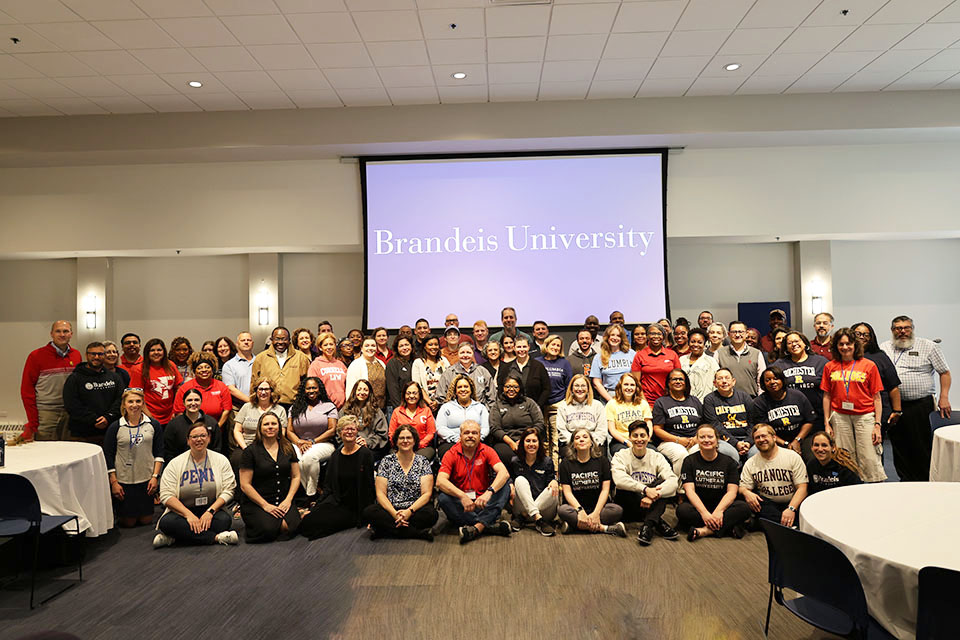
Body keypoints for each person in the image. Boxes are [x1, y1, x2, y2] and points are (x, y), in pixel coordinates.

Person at [880, 315, 951, 482]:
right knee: (899, 444)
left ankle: (925, 480)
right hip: (895, 406)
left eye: (906, 327)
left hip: (921, 404)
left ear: (912, 329)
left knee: (921, 444)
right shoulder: (884, 348)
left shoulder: (929, 346)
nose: (902, 331)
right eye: (898, 328)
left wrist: (944, 397)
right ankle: (904, 479)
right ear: (892, 330)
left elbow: (945, 372)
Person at [154, 421, 238, 548]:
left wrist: (210, 511)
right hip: (182, 512)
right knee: (167, 523)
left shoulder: (221, 460)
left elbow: (229, 490)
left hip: (210, 509)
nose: (199, 439)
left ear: (209, 438)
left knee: (224, 521)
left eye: (203, 436)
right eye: (194, 437)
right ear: (188, 440)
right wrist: (188, 515)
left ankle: (176, 538)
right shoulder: (175, 463)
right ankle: (215, 538)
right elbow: (166, 495)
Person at [821, 328, 886, 483]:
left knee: (869, 456)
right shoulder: (830, 366)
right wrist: (827, 423)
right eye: (841, 344)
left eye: (848, 344)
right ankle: (850, 487)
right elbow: (827, 396)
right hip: (840, 416)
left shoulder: (869, 365)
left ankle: (874, 490)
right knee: (845, 457)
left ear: (855, 345)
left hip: (865, 416)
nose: (845, 347)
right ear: (836, 346)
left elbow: (877, 397)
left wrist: (877, 424)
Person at [298, 415, 376, 539]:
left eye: (353, 429)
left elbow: (369, 487)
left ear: (357, 432)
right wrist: (317, 506)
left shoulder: (365, 454)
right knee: (308, 520)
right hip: (337, 501)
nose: (349, 432)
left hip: (354, 507)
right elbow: (328, 486)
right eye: (345, 429)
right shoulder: (335, 456)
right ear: (340, 433)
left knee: (316, 526)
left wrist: (368, 515)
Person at [436, 420, 512, 543]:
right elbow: (440, 481)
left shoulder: (487, 450)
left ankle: (476, 528)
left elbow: (504, 473)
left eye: (474, 433)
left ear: (479, 436)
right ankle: (489, 524)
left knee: (505, 486)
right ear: (460, 436)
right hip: (463, 505)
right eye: (466, 433)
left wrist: (489, 493)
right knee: (443, 498)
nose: (470, 436)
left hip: (484, 502)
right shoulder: (451, 453)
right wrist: (462, 496)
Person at [362, 424, 438, 540]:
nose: (405, 441)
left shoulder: (422, 461)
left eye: (409, 438)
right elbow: (380, 494)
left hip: (414, 509)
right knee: (369, 512)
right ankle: (416, 533)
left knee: (432, 514)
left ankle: (384, 531)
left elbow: (426, 494)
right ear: (396, 442)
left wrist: (408, 512)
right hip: (390, 509)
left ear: (414, 441)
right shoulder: (386, 461)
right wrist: (394, 513)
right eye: (401, 438)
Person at [678, 424, 752, 541]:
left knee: (744, 508)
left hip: (723, 506)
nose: (706, 440)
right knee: (682, 510)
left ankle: (704, 531)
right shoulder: (689, 460)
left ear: (717, 440)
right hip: (699, 506)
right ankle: (727, 527)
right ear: (697, 440)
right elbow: (689, 491)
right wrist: (704, 514)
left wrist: (719, 511)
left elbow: (732, 492)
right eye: (702, 437)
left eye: (710, 437)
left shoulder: (729, 462)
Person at [611, 421, 678, 545]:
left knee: (663, 484)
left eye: (642, 435)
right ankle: (658, 522)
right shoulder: (620, 456)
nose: (639, 439)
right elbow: (619, 480)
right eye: (635, 436)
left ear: (648, 437)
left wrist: (653, 495)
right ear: (629, 437)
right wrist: (646, 490)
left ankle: (648, 525)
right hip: (628, 503)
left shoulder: (657, 456)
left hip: (650, 503)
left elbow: (673, 481)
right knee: (625, 487)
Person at [104, 388, 163, 527]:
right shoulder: (115, 427)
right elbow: (108, 455)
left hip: (146, 480)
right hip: (124, 481)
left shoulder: (153, 424)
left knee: (146, 520)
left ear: (143, 403)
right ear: (124, 404)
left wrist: (155, 477)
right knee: (129, 523)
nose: (134, 405)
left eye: (138, 401)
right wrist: (114, 483)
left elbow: (159, 453)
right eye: (130, 402)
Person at [239, 412, 301, 543]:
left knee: (290, 527)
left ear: (279, 427)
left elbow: (296, 476)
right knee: (268, 529)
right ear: (260, 429)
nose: (270, 427)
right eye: (266, 424)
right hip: (257, 502)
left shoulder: (288, 448)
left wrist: (288, 500)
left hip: (283, 499)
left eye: (274, 424)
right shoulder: (250, 452)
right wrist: (265, 505)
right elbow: (245, 485)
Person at [557, 428, 626, 537]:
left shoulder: (602, 461)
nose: (581, 440)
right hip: (575, 508)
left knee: (617, 510)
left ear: (591, 443)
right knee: (562, 510)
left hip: (598, 507)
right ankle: (604, 528)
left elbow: (605, 490)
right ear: (573, 445)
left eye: (585, 437)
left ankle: (575, 527)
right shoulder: (565, 464)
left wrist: (596, 513)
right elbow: (567, 492)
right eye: (577, 438)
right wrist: (580, 511)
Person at [20, 320, 82, 441]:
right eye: (58, 331)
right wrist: (33, 420)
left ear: (71, 334)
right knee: (45, 453)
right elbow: (27, 390)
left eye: (65, 331)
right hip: (46, 412)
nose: (62, 334)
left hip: (70, 412)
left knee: (69, 451)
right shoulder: (36, 356)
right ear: (51, 334)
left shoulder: (76, 355)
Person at [739, 424, 808, 528]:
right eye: (757, 438)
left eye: (764, 436)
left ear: (774, 437)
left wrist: (791, 509)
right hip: (767, 505)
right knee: (751, 503)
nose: (761, 440)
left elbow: (803, 488)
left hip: (792, 502)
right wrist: (746, 492)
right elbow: (742, 487)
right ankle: (788, 526)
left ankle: (768, 525)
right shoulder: (751, 463)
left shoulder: (792, 457)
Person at [62, 341, 123, 445]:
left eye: (100, 354)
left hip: (109, 432)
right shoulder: (75, 378)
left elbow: (120, 399)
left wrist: (108, 417)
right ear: (86, 355)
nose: (96, 357)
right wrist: (94, 420)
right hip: (82, 434)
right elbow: (72, 405)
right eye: (93, 354)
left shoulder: (114, 377)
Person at [287, 376, 338, 500]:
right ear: (304, 391)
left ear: (319, 389)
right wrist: (299, 442)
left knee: (309, 457)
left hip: (323, 443)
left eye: (314, 388)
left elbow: (332, 430)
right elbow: (289, 431)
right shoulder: (295, 408)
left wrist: (313, 441)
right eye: (308, 388)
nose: (311, 391)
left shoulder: (328, 406)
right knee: (296, 459)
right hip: (299, 443)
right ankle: (312, 492)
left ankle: (310, 494)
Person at [751, 367, 816, 461]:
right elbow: (763, 429)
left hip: (801, 437)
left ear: (782, 380)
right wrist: (786, 444)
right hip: (774, 440)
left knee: (811, 457)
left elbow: (809, 420)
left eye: (776, 378)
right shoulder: (759, 402)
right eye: (768, 380)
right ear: (763, 383)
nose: (772, 382)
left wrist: (797, 440)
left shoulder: (797, 395)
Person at [773, 331, 829, 432]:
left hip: (818, 415)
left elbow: (829, 389)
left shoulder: (821, 362)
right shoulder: (779, 364)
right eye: (789, 343)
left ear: (805, 343)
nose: (794, 344)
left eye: (797, 341)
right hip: (792, 417)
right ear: (786, 348)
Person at [509, 427, 558, 536]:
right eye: (528, 441)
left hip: (544, 510)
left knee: (553, 489)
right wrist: (510, 484)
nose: (531, 444)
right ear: (522, 443)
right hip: (520, 506)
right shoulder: (515, 461)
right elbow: (510, 479)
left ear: (539, 444)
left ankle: (525, 516)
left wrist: (554, 481)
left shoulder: (547, 461)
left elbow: (551, 481)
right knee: (519, 480)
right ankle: (538, 521)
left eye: (534, 441)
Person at [852, 322, 902, 428]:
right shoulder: (845, 356)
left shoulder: (880, 357)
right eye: (858, 334)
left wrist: (897, 411)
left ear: (871, 338)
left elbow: (893, 386)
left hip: (877, 412)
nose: (862, 337)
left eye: (866, 335)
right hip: (849, 412)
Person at [489, 372, 545, 465]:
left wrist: (525, 439)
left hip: (528, 439)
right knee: (508, 456)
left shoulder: (529, 402)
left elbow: (539, 422)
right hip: (505, 441)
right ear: (503, 388)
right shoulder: (497, 405)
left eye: (515, 387)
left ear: (520, 388)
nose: (511, 389)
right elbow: (495, 428)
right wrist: (511, 443)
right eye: (508, 386)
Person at [233, 377, 288, 468]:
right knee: (237, 458)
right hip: (247, 445)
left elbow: (281, 433)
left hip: (271, 446)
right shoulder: (247, 407)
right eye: (260, 389)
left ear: (272, 391)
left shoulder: (280, 409)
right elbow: (237, 430)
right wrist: (245, 449)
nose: (263, 392)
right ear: (256, 391)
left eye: (266, 389)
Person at [173, 351, 232, 435]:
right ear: (194, 371)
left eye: (207, 367)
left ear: (212, 369)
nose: (204, 370)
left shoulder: (222, 387)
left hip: (216, 432)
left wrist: (216, 428)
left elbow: (227, 410)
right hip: (190, 433)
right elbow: (179, 412)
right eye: (199, 368)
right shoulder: (185, 388)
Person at [251, 326, 311, 408]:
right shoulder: (261, 358)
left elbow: (307, 382)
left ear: (289, 340)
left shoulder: (301, 358)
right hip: (267, 405)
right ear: (272, 340)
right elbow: (254, 383)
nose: (280, 342)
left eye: (283, 339)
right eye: (277, 339)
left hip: (294, 406)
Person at [129, 338, 182, 429]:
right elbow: (136, 396)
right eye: (152, 350)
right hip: (149, 416)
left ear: (164, 352)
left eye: (159, 350)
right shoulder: (139, 369)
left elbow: (178, 388)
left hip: (170, 416)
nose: (156, 353)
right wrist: (150, 417)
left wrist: (176, 410)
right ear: (147, 353)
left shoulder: (171, 365)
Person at [702, 368, 754, 460]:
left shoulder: (744, 396)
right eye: (720, 378)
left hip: (747, 438)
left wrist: (748, 442)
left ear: (733, 381)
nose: (724, 381)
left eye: (727, 378)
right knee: (730, 454)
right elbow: (715, 426)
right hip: (723, 440)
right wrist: (735, 443)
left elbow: (753, 422)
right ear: (715, 383)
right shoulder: (709, 399)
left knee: (755, 453)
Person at [435, 374, 490, 460]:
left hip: (475, 441)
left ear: (471, 390)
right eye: (459, 387)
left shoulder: (480, 407)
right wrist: (457, 439)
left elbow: (485, 427)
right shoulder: (446, 407)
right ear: (455, 391)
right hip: (452, 442)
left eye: (466, 387)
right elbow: (440, 428)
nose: (463, 389)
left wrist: (475, 438)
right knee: (446, 452)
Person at [163, 388, 222, 463]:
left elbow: (217, 449)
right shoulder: (173, 424)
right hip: (180, 466)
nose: (193, 403)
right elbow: (168, 452)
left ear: (201, 402)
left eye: (197, 400)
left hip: (208, 466)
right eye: (189, 400)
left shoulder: (211, 422)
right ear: (184, 403)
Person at [556, 374, 606, 457]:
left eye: (583, 386)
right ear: (571, 388)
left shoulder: (597, 405)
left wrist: (590, 442)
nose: (580, 389)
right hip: (571, 444)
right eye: (576, 386)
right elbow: (562, 430)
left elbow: (602, 430)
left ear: (588, 389)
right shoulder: (563, 406)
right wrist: (575, 442)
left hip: (593, 443)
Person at [434, 342, 496, 407]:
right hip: (455, 412)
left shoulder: (482, 371)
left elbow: (492, 397)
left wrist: (486, 412)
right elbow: (441, 397)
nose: (465, 355)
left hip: (479, 412)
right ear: (458, 354)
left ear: (473, 354)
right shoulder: (449, 373)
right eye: (462, 352)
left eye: (468, 352)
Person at [605, 372, 653, 456]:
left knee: (654, 454)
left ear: (636, 387)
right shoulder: (611, 404)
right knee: (626, 455)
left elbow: (648, 423)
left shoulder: (643, 403)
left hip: (641, 439)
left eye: (632, 385)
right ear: (620, 386)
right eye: (626, 384)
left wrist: (646, 438)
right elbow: (612, 430)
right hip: (621, 441)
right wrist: (627, 442)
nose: (629, 388)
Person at [341, 379, 389, 462]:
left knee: (361, 455)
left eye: (365, 390)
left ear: (369, 393)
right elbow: (339, 431)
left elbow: (382, 435)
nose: (362, 392)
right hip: (348, 445)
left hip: (370, 448)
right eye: (359, 389)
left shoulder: (376, 411)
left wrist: (367, 442)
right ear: (354, 391)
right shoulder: (346, 410)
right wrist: (351, 440)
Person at [631, 323, 680, 404]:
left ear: (663, 337)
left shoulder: (672, 354)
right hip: (647, 401)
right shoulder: (639, 356)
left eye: (659, 334)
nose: (656, 336)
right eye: (652, 333)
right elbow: (636, 382)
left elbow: (678, 379)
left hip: (670, 400)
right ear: (647, 336)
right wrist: (645, 404)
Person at [389, 380, 437, 460]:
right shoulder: (397, 412)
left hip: (422, 448)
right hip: (401, 447)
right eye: (408, 393)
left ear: (419, 395)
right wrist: (403, 445)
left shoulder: (426, 410)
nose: (411, 396)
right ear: (404, 395)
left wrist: (417, 445)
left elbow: (431, 433)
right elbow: (392, 434)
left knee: (418, 459)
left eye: (414, 393)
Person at [717, 321, 765, 396]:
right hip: (725, 399)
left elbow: (761, 380)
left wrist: (760, 398)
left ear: (746, 334)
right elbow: (715, 378)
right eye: (734, 332)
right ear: (729, 334)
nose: (737, 335)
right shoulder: (719, 353)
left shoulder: (757, 353)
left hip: (751, 399)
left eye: (741, 332)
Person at [589, 324, 635, 403]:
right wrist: (611, 401)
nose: (615, 338)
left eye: (618, 336)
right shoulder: (598, 357)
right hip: (608, 396)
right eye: (612, 335)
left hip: (629, 395)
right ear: (607, 337)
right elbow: (596, 382)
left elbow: (637, 377)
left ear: (622, 338)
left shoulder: (631, 354)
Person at [308, 331, 348, 408]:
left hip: (342, 407)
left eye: (331, 344)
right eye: (325, 345)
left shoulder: (341, 364)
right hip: (323, 406)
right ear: (320, 348)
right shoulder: (315, 365)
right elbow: (312, 388)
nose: (329, 347)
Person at [345, 336, 386, 409]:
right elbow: (350, 389)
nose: (370, 348)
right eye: (367, 346)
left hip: (381, 407)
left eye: (373, 346)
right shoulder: (356, 364)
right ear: (361, 348)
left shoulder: (381, 363)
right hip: (363, 407)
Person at [512, 336, 550, 410]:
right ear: (514, 348)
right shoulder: (507, 367)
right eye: (519, 347)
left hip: (534, 410)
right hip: (512, 410)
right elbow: (501, 389)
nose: (522, 350)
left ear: (529, 347)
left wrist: (537, 406)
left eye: (524, 347)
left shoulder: (538, 366)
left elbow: (547, 389)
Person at [680, 328, 719, 401]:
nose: (695, 345)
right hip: (684, 402)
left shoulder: (711, 361)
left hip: (704, 402)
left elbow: (716, 384)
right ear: (688, 342)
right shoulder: (681, 360)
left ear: (704, 344)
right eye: (693, 342)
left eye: (700, 342)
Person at [411, 335, 445, 412]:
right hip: (424, 404)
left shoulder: (444, 361)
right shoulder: (418, 362)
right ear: (424, 347)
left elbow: (449, 384)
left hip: (443, 404)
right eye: (430, 344)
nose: (434, 347)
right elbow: (417, 385)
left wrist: (438, 402)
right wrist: (430, 402)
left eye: (436, 344)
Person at [222, 331, 255, 409]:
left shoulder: (260, 361)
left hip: (260, 406)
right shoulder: (229, 365)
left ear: (252, 343)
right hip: (238, 408)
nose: (246, 342)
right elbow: (231, 389)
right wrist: (251, 401)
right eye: (243, 340)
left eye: (249, 340)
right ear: (237, 344)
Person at [385, 335, 415, 415]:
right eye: (401, 346)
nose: (404, 348)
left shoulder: (416, 361)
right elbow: (393, 389)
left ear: (411, 346)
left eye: (407, 345)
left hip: (415, 407)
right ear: (397, 349)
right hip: (397, 408)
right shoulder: (393, 363)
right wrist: (401, 410)